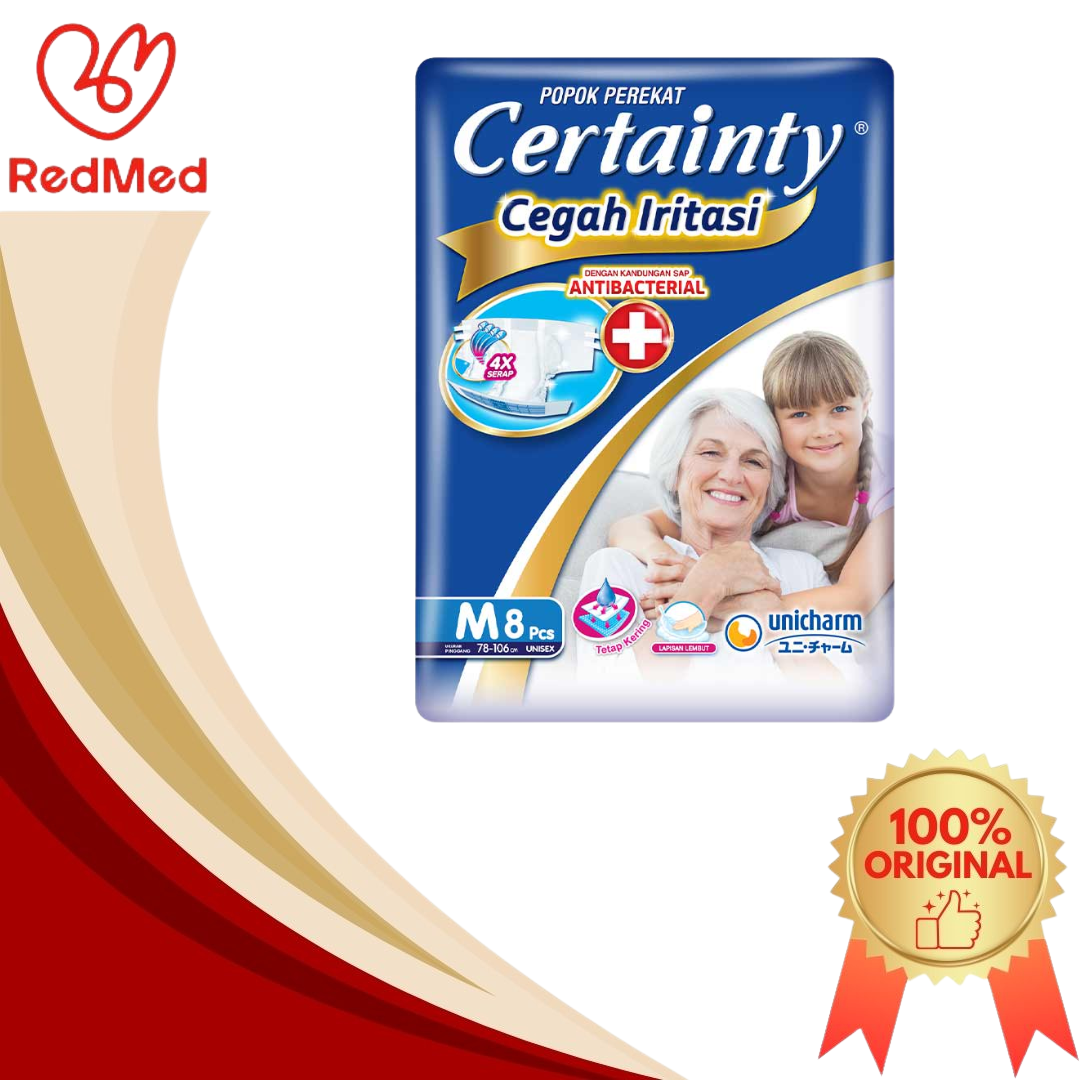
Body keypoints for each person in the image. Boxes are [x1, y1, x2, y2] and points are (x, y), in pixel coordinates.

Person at [609, 332, 893, 618]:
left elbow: (855, 597)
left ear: (866, 405)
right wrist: (677, 567)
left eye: (840, 409)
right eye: (800, 414)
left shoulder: (892, 480)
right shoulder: (762, 476)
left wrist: (720, 600)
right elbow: (629, 527)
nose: (822, 430)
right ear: (774, 420)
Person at [576, 389, 840, 683]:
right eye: (711, 453)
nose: (731, 475)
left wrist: (765, 612)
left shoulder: (802, 572)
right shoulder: (618, 568)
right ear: (675, 471)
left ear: (770, 486)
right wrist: (708, 582)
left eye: (754, 462)